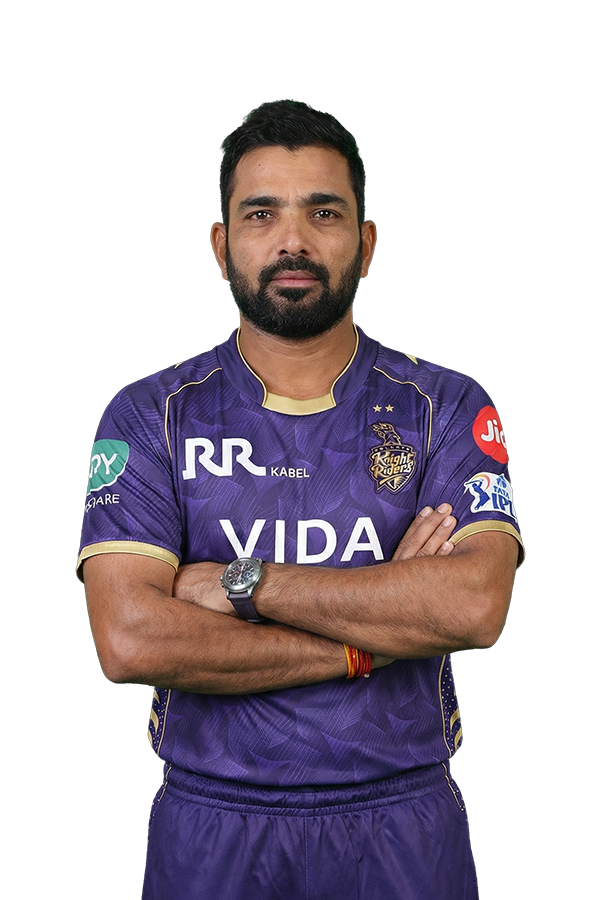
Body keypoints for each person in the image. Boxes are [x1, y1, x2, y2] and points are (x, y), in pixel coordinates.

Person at [78, 101, 523, 900]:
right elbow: (131, 641)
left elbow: (474, 607)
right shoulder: (148, 416)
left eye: (324, 212)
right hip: (211, 823)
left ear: (367, 244)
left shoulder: (447, 407)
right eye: (261, 214)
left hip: (402, 821)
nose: (293, 240)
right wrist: (372, 640)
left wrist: (240, 584)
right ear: (221, 246)